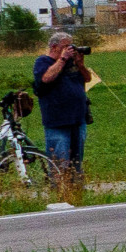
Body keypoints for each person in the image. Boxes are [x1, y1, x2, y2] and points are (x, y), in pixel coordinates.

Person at [33, 32, 92, 178]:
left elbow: (87, 78)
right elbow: (46, 78)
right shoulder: (43, 62)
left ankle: (76, 190)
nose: (70, 50)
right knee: (59, 164)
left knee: (76, 164)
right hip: (57, 122)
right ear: (54, 47)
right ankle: (60, 191)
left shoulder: (72, 63)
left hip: (78, 119)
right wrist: (62, 59)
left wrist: (80, 65)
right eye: (66, 46)